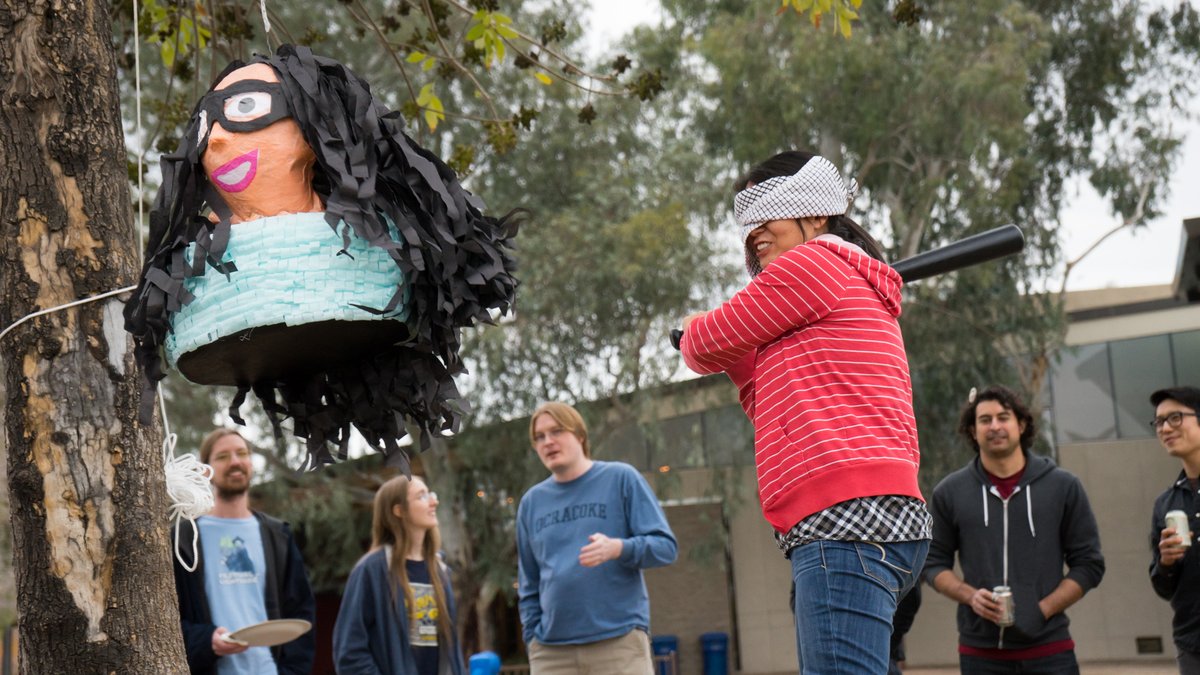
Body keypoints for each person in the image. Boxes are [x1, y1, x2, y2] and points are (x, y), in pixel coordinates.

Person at [679, 150, 930, 673]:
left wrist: (696, 327)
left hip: (845, 519)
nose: (753, 232)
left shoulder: (813, 263)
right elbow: (762, 395)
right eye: (744, 221)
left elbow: (705, 344)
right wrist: (728, 348)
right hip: (870, 518)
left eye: (764, 210)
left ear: (815, 213)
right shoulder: (828, 289)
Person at [923, 385, 1105, 674]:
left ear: (1021, 425)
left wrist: (1043, 609)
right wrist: (970, 596)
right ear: (973, 431)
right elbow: (932, 564)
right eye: (984, 420)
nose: (994, 426)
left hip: (1051, 650)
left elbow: (1089, 564)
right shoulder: (949, 492)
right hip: (979, 654)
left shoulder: (1063, 486)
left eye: (1003, 417)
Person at [517, 401, 678, 674]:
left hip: (619, 644)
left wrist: (618, 548)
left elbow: (666, 548)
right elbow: (528, 581)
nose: (548, 442)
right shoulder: (531, 503)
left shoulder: (620, 479)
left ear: (580, 435)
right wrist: (532, 637)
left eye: (557, 431)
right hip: (552, 654)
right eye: (540, 437)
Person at [173, 428, 316, 674]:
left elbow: (301, 612)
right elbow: (167, 618)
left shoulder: (278, 536)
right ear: (205, 470)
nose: (235, 461)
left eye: (242, 453)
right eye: (223, 456)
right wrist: (205, 640)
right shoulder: (183, 539)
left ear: (251, 462)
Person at [333, 474, 466, 674]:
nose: (434, 501)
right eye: (422, 496)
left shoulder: (441, 571)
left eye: (431, 494)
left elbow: (452, 653)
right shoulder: (371, 570)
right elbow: (349, 651)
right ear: (399, 510)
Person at [1148, 386, 1200, 674]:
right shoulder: (1165, 504)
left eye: (1176, 418)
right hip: (1192, 645)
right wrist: (1166, 562)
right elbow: (1163, 587)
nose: (1165, 428)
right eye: (1159, 422)